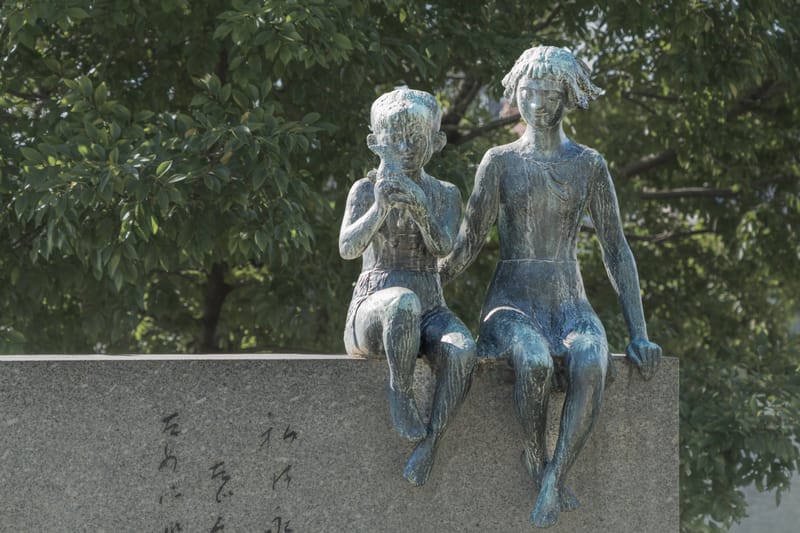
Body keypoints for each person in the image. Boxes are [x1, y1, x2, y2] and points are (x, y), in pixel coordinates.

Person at [439, 46, 662, 527]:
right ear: (516, 95)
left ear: (569, 96)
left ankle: (553, 477)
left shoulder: (589, 164)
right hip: (510, 304)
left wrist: (638, 331)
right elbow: (467, 244)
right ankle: (533, 452)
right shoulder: (498, 161)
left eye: (549, 92)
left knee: (589, 359)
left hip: (569, 300)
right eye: (529, 91)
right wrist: (422, 286)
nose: (538, 102)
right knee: (535, 360)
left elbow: (616, 249)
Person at [339, 87, 476, 486]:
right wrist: (380, 209)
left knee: (462, 350)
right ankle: (401, 389)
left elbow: (443, 246)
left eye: (416, 138)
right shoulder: (365, 189)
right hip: (373, 307)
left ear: (436, 141)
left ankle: (431, 443)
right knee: (401, 303)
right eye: (395, 138)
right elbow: (348, 247)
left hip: (431, 304)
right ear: (375, 142)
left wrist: (419, 207)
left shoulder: (445, 193)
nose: (405, 147)